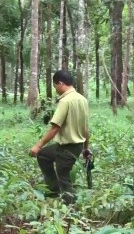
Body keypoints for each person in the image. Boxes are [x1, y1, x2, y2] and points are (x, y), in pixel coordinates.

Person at [30, 70, 90, 204]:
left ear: (61, 84)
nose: (55, 88)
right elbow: (86, 128)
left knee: (64, 178)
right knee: (44, 155)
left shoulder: (65, 101)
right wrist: (86, 148)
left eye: (55, 85)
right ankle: (53, 191)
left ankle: (71, 206)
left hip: (67, 148)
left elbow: (55, 128)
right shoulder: (82, 99)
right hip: (76, 146)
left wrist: (38, 145)